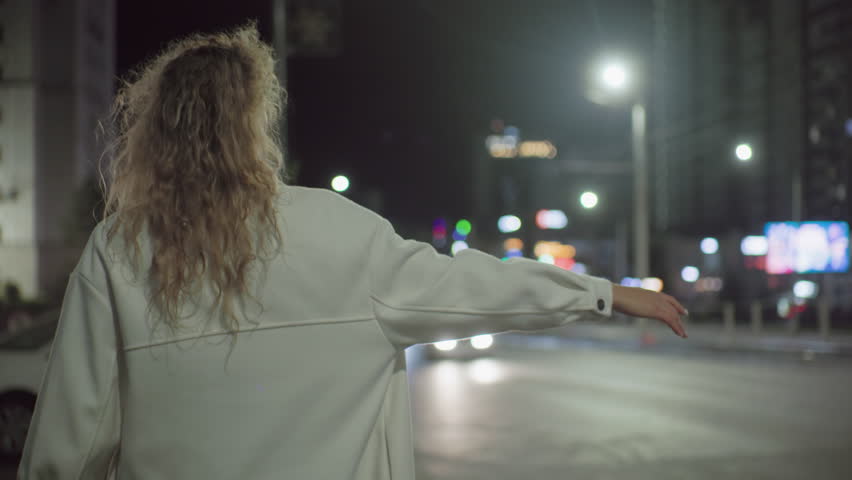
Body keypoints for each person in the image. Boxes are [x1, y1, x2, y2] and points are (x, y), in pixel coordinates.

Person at [18, 23, 687, 480]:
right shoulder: (337, 231)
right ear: (256, 125)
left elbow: (69, 433)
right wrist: (603, 293)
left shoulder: (122, 247)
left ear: (155, 130)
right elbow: (475, 288)